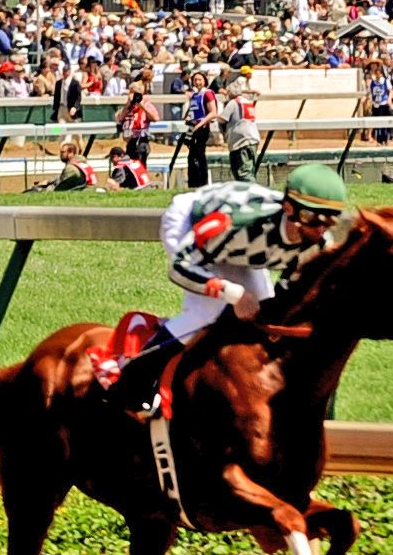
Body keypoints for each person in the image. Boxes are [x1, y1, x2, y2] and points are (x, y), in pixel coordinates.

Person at [111, 160, 352, 415]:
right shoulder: (236, 223)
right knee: (206, 313)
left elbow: (287, 299)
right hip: (193, 225)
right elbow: (179, 267)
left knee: (264, 316)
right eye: (310, 218)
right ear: (289, 208)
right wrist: (232, 293)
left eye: (329, 221)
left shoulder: (319, 244)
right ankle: (132, 378)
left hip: (243, 249)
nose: (319, 230)